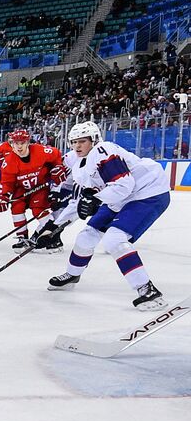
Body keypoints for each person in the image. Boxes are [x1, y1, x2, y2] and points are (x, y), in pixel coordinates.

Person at [44, 121, 170, 310]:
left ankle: (147, 290)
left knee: (114, 239)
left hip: (148, 192)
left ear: (93, 140)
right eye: (73, 142)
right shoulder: (79, 165)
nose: (77, 146)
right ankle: (72, 274)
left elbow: (123, 185)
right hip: (120, 198)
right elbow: (80, 203)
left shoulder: (103, 150)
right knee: (87, 236)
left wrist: (95, 199)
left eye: (82, 141)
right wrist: (55, 226)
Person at [0, 129, 66, 250]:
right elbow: (7, 182)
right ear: (12, 144)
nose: (19, 146)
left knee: (38, 209)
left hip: (40, 186)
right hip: (22, 188)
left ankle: (54, 236)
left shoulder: (40, 151)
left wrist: (58, 166)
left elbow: (56, 154)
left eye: (22, 143)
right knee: (16, 206)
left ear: (28, 142)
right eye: (16, 143)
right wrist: (3, 196)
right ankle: (22, 238)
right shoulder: (9, 161)